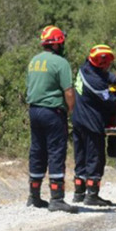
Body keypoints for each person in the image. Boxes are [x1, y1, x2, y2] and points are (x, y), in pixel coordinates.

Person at [71, 44, 116, 206]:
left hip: (78, 119)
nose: (108, 66)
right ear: (102, 63)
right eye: (107, 63)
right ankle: (92, 195)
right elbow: (110, 102)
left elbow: (104, 74)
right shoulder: (96, 82)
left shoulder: (85, 68)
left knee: (81, 155)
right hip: (91, 122)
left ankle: (79, 193)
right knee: (95, 158)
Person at [26, 25, 78, 213]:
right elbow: (69, 92)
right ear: (57, 44)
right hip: (52, 112)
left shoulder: (34, 61)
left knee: (37, 150)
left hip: (34, 110)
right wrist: (71, 111)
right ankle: (57, 198)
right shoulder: (60, 63)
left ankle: (34, 195)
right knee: (56, 151)